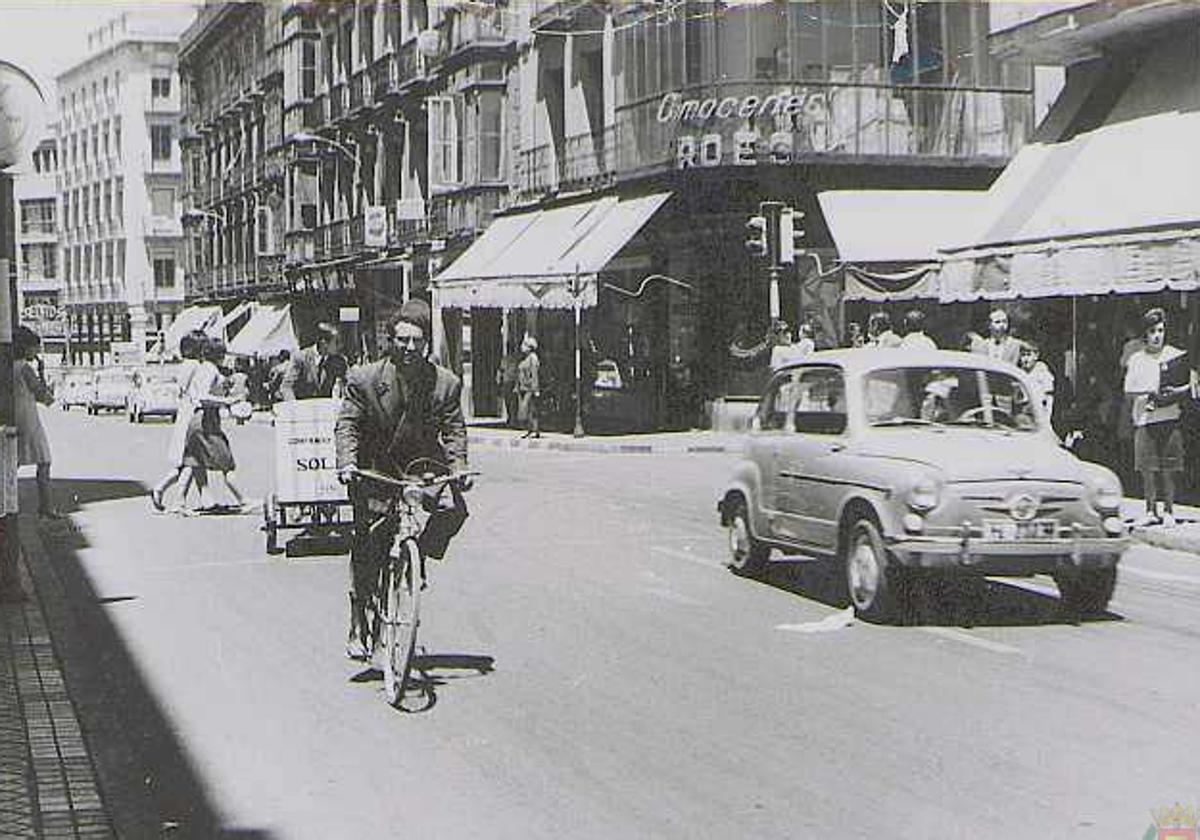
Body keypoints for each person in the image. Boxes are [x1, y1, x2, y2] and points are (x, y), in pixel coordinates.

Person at [335, 299, 470, 661]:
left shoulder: (444, 383)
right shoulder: (363, 379)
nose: (410, 349)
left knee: (454, 509)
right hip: (376, 467)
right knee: (369, 548)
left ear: (427, 343)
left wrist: (458, 467)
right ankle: (359, 620)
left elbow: (454, 431)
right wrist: (347, 463)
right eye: (403, 340)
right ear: (390, 340)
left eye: (417, 342)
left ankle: (418, 557)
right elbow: (348, 425)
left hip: (421, 466)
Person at [1123, 307, 1191, 528]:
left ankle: (1169, 510)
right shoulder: (1136, 359)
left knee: (1169, 468)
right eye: (1152, 331)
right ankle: (1150, 509)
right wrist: (1149, 391)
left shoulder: (1175, 355)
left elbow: (1191, 386)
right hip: (1145, 419)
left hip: (1170, 417)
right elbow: (1128, 391)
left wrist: (1177, 391)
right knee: (1148, 468)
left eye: (1161, 330)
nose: (1157, 335)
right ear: (1145, 334)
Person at [183, 337, 249, 513]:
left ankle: (207, 501)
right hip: (206, 420)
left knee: (197, 463)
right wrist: (228, 401)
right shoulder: (210, 371)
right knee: (226, 461)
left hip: (197, 420)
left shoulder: (205, 368)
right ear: (218, 355)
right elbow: (203, 398)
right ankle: (243, 500)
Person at [150, 330, 205, 511]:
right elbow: (187, 388)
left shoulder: (186, 365)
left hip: (185, 413)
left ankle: (170, 494)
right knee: (191, 460)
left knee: (189, 461)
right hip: (191, 414)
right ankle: (172, 495)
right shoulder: (195, 365)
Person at [13, 326, 61, 519]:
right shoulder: (25, 368)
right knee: (43, 461)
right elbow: (44, 397)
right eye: (35, 348)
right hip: (28, 420)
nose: (37, 352)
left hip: (16, 417)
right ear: (26, 347)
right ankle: (46, 508)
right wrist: (42, 374)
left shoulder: (10, 366)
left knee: (13, 462)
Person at [280, 322, 346, 400]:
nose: (341, 346)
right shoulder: (300, 358)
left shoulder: (338, 362)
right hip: (303, 408)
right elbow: (287, 387)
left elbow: (346, 384)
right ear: (323, 342)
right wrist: (294, 406)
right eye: (336, 342)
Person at [1017, 338, 1055, 420]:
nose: (1026, 359)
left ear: (1036, 356)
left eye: (1028, 355)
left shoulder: (1042, 371)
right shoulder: (1020, 373)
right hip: (1025, 409)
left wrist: (1047, 414)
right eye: (1023, 355)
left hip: (1040, 409)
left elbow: (1048, 395)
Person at [516, 333, 542, 439]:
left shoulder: (533, 358)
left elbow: (534, 374)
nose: (522, 347)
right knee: (530, 409)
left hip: (530, 388)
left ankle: (533, 429)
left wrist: (536, 389)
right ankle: (531, 429)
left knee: (526, 409)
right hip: (523, 387)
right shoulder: (524, 358)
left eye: (524, 345)